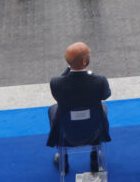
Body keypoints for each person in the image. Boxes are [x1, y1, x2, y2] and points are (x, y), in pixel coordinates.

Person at [46, 42, 111, 170]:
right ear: (84, 62)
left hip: (67, 133)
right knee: (102, 108)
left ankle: (63, 159)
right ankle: (94, 156)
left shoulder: (56, 83)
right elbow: (106, 95)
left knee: (53, 109)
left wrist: (71, 68)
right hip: (94, 131)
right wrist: (89, 73)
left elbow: (58, 95)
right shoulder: (100, 81)